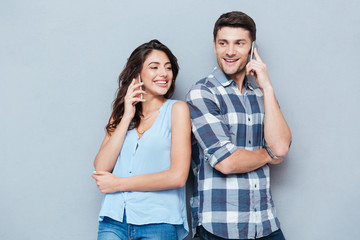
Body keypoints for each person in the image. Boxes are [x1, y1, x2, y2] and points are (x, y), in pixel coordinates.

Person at [186, 11, 292, 240]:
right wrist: (268, 155)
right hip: (220, 227)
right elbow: (226, 161)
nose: (230, 51)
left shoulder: (262, 95)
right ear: (214, 46)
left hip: (265, 224)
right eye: (223, 43)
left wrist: (268, 87)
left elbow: (281, 147)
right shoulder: (203, 92)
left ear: (252, 47)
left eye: (239, 43)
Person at [92, 39, 191, 240]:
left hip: (158, 222)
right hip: (114, 220)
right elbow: (101, 168)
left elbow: (178, 176)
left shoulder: (177, 110)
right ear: (137, 74)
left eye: (168, 67)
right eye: (154, 67)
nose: (164, 73)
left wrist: (119, 184)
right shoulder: (120, 114)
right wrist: (127, 115)